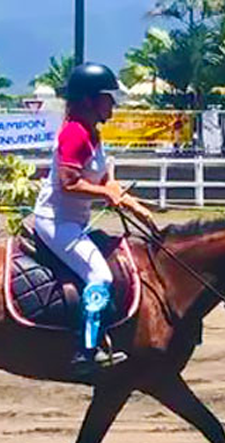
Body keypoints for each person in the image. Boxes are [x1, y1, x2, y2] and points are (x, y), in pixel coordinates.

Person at [33, 62, 154, 374]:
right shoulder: (74, 133)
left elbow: (104, 180)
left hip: (75, 221)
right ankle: (86, 351)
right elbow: (68, 183)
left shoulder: (92, 134)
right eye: (108, 98)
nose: (112, 105)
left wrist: (130, 202)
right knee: (100, 275)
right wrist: (107, 196)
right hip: (56, 221)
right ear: (88, 100)